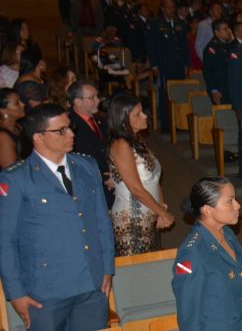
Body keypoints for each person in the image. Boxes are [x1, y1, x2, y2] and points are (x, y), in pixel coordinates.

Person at [0, 103, 114, 330]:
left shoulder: (86, 166)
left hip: (91, 284)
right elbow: (6, 240)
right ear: (38, 137)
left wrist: (107, 268)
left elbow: (102, 221)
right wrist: (15, 293)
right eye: (61, 130)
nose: (71, 133)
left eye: (69, 127)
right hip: (45, 290)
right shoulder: (16, 179)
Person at [173, 176, 242, 330]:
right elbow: (190, 314)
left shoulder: (227, 233)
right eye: (230, 201)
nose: (237, 205)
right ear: (207, 209)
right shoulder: (191, 254)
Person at [107, 94, 174, 256]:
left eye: (142, 111)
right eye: (138, 114)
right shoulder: (121, 144)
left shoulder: (138, 141)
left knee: (147, 266)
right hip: (131, 219)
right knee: (135, 270)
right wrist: (162, 212)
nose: (145, 116)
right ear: (123, 120)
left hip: (148, 212)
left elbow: (154, 179)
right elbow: (135, 188)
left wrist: (161, 208)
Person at [68, 82, 115, 207]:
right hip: (92, 183)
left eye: (97, 96)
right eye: (92, 97)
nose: (98, 100)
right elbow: (80, 159)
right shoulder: (71, 125)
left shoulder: (99, 119)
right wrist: (105, 178)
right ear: (77, 102)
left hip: (108, 175)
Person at [147, 0, 190, 130]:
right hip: (164, 66)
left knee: (179, 94)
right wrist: (154, 66)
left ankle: (179, 123)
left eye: (173, 7)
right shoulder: (155, 23)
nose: (172, 10)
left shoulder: (180, 23)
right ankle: (167, 124)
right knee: (165, 95)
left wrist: (186, 64)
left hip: (178, 65)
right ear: (163, 8)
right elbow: (151, 46)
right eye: (169, 7)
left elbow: (184, 45)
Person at [0, 89, 25, 168]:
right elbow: (11, 170)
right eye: (17, 103)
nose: (23, 104)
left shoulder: (18, 126)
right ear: (3, 110)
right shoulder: (3, 137)